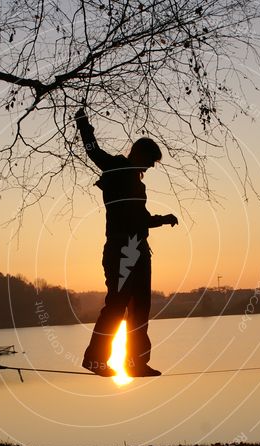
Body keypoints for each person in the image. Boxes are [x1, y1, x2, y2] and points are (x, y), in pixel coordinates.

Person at [75, 107, 178, 377]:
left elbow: (140, 218)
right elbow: (93, 151)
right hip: (121, 250)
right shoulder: (117, 168)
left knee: (140, 308)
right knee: (118, 305)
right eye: (148, 162)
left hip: (139, 250)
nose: (148, 168)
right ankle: (95, 359)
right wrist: (84, 125)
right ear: (137, 153)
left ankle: (136, 363)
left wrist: (162, 219)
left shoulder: (136, 182)